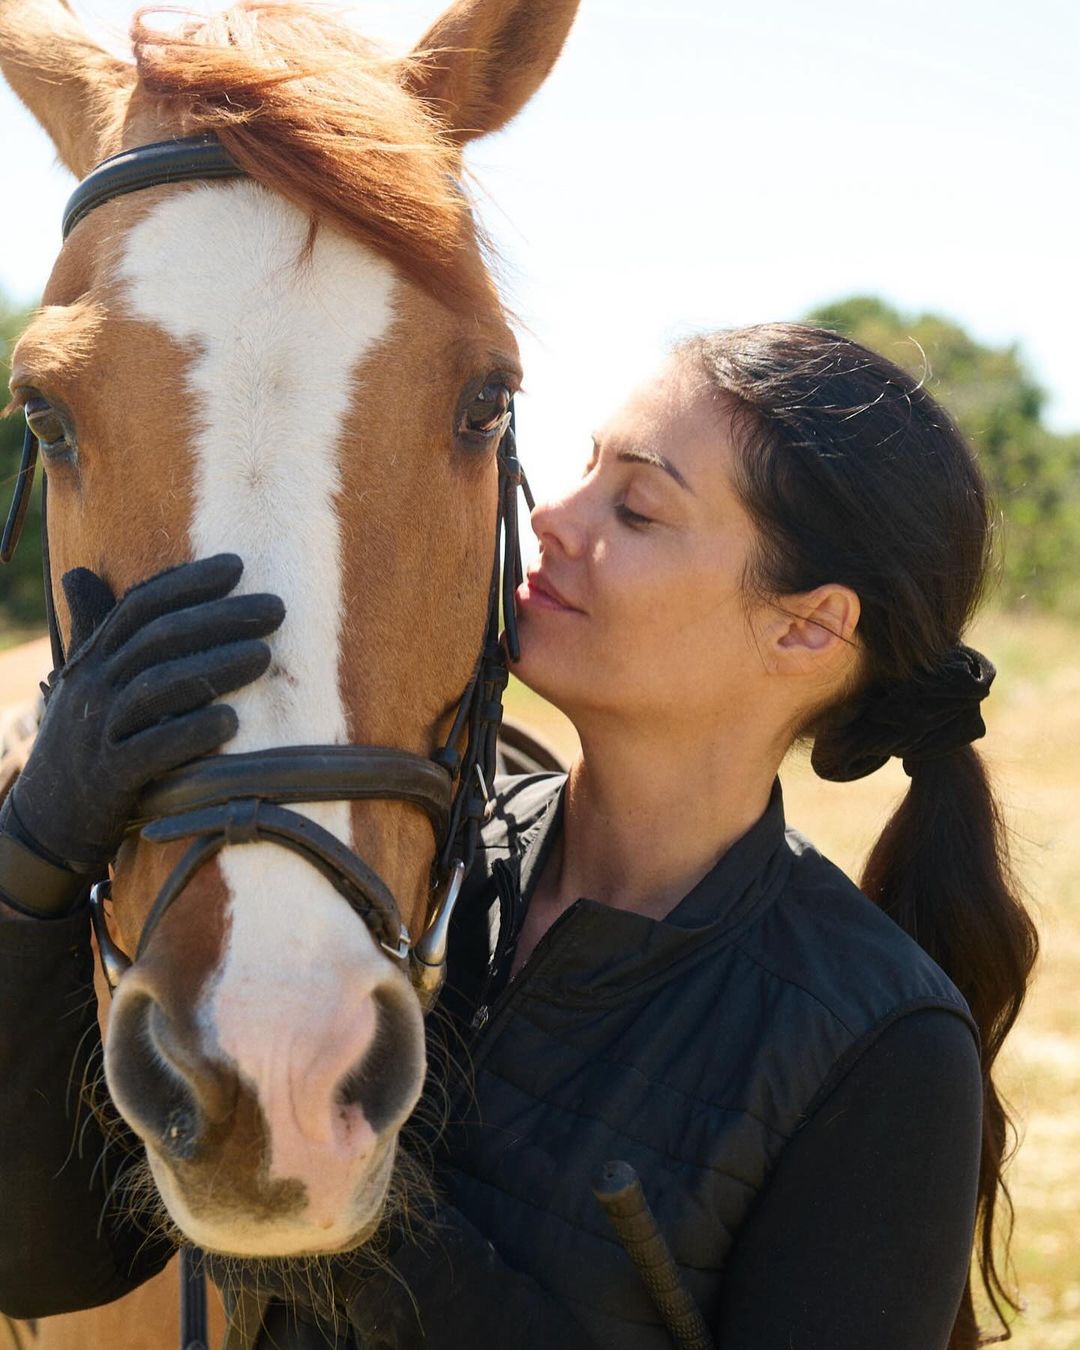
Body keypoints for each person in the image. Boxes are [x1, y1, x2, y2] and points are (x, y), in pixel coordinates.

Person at [0, 324, 1037, 1350]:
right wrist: (36, 855)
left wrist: (337, 1195)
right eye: (580, 470)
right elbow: (51, 1261)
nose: (552, 520)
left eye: (636, 508)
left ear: (805, 628)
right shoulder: (415, 865)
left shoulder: (883, 1048)